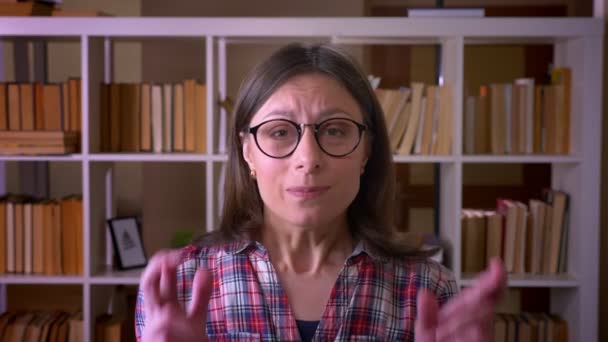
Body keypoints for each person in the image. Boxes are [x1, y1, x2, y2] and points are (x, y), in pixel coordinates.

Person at [135, 43, 506, 341]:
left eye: (335, 130)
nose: (308, 159)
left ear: (366, 151)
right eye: (280, 132)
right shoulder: (181, 286)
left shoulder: (427, 288)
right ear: (248, 153)